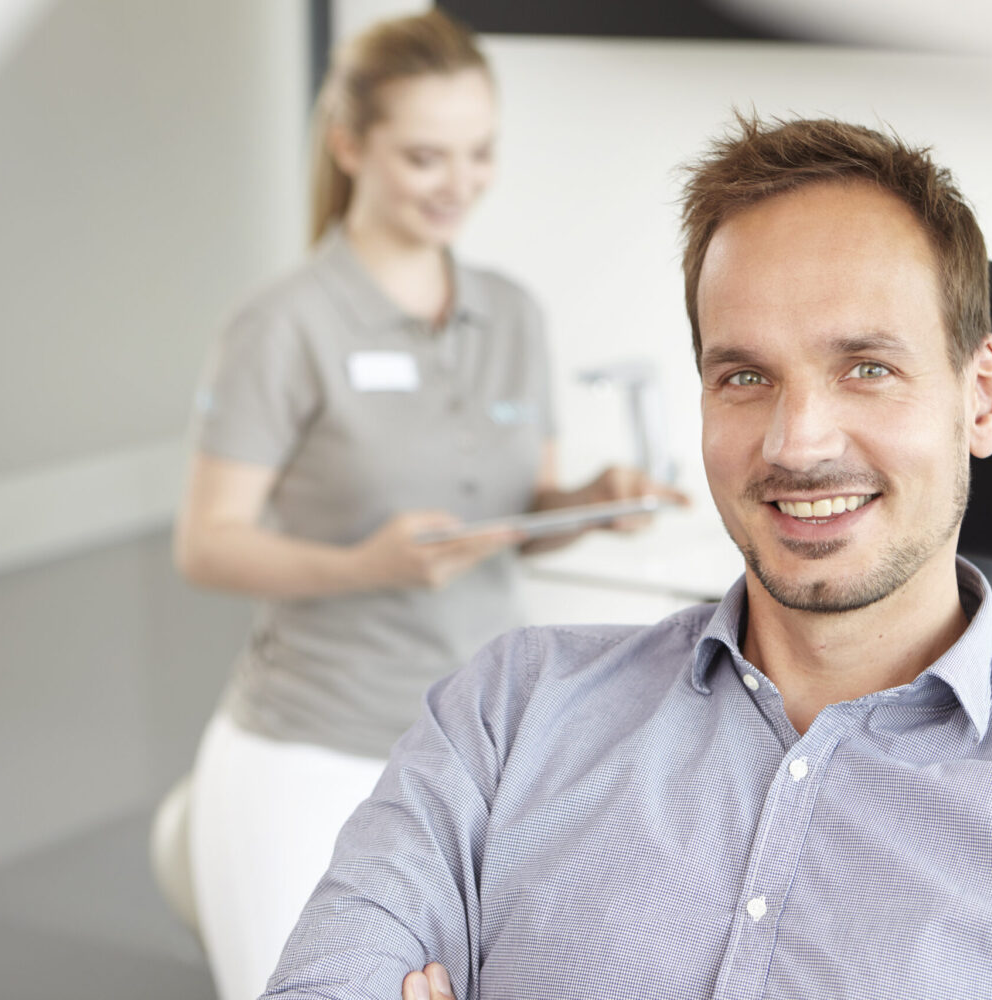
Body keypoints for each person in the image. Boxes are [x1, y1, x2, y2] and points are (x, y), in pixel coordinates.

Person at [261, 116, 992, 1000]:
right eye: (744, 375)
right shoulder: (508, 711)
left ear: (983, 397)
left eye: (866, 367)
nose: (795, 441)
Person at [170, 12, 676, 1000]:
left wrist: (587, 504)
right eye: (425, 156)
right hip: (311, 745)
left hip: (476, 754)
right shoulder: (283, 326)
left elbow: (512, 511)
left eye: (480, 153)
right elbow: (207, 544)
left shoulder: (512, 312)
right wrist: (369, 564)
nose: (460, 182)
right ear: (350, 144)